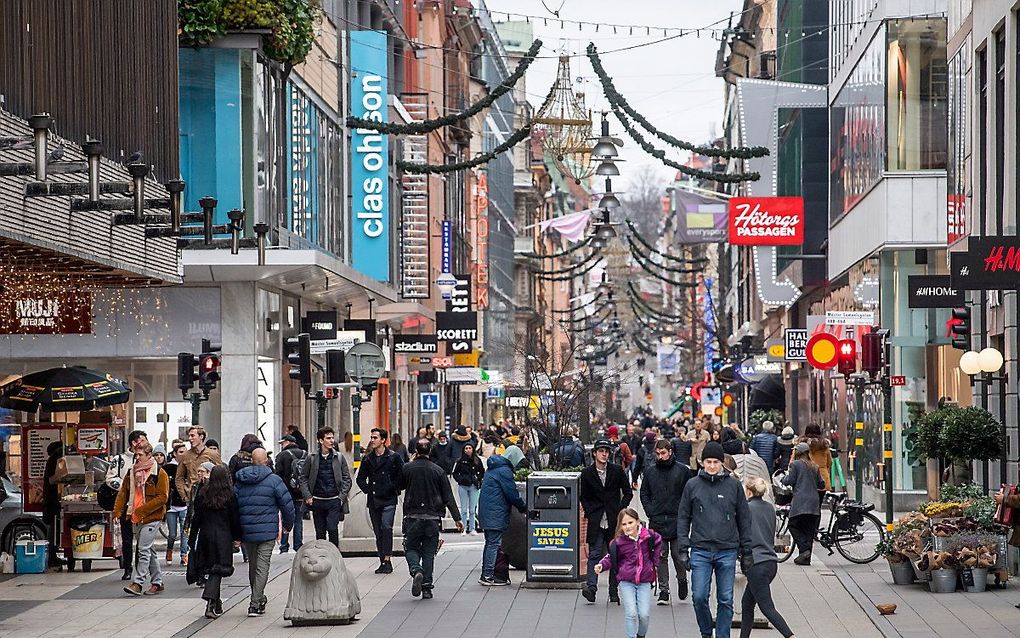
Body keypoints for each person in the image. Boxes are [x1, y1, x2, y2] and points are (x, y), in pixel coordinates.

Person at [676, 441, 752, 638]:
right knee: (699, 596)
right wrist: (683, 549)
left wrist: (747, 552)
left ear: (722, 463)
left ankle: (723, 635)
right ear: (702, 462)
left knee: (725, 599)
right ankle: (706, 632)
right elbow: (683, 517)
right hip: (700, 549)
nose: (711, 466)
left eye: (715, 462)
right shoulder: (692, 485)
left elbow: (744, 519)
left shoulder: (733, 486)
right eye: (708, 461)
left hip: (727, 549)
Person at [399, 438, 463, 599]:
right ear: (430, 451)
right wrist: (457, 518)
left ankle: (416, 570)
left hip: (412, 515)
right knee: (429, 552)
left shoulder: (407, 468)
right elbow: (447, 496)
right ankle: (427, 587)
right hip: (433, 517)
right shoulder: (438, 470)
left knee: (411, 547)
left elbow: (398, 486)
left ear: (416, 451)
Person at [234, 448, 295, 617]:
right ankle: (255, 603)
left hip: (247, 530)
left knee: (253, 566)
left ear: (252, 460)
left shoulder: (240, 480)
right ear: (266, 460)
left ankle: (258, 599)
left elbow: (233, 505)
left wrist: (236, 531)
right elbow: (287, 504)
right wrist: (288, 525)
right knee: (262, 567)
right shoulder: (274, 480)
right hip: (267, 530)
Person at [593, 508, 662, 638]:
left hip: (644, 581)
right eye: (624, 524)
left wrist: (655, 562)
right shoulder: (619, 542)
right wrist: (601, 565)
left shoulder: (649, 536)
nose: (627, 526)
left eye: (630, 522)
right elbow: (610, 557)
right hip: (626, 581)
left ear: (637, 521)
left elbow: (659, 542)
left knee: (644, 615)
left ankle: (641, 635)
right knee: (631, 613)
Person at [740, 477, 796, 638]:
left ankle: (790, 635)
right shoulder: (770, 508)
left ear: (749, 491)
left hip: (756, 563)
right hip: (771, 562)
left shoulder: (747, 508)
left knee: (767, 607)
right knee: (747, 603)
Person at [579, 438, 633, 604]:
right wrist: (590, 511)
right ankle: (591, 587)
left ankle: (613, 590)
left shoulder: (616, 471)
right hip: (596, 520)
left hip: (613, 520)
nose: (604, 454)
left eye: (606, 451)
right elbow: (584, 496)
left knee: (615, 555)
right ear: (594, 453)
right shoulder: (587, 473)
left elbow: (628, 492)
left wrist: (620, 510)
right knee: (594, 554)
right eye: (601, 451)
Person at [113, 443, 170, 596]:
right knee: (149, 550)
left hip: (152, 516)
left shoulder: (159, 473)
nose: (137, 458)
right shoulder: (132, 472)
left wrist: (143, 510)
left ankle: (138, 582)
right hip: (135, 516)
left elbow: (163, 497)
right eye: (135, 455)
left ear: (149, 455)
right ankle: (157, 582)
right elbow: (123, 493)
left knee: (142, 549)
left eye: (140, 455)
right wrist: (117, 512)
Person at [187, 465, 241, 619]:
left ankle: (216, 603)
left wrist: (192, 538)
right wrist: (237, 537)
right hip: (223, 537)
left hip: (206, 536)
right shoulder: (230, 495)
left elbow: (196, 518)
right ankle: (210, 601)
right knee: (218, 569)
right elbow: (234, 519)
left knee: (212, 567)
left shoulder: (203, 493)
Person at [640, 439, 690, 604]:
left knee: (678, 555)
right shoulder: (650, 472)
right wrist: (650, 511)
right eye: (658, 453)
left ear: (670, 452)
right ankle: (664, 590)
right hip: (658, 518)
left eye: (663, 453)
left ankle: (682, 579)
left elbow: (688, 493)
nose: (660, 457)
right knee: (661, 555)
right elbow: (644, 493)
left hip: (676, 518)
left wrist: (685, 513)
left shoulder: (682, 471)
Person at [477, 446, 527, 585]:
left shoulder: (493, 468)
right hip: (495, 513)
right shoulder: (504, 471)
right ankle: (487, 575)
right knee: (494, 544)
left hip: (488, 511)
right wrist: (523, 507)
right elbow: (511, 493)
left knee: (490, 543)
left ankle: (486, 573)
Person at [356, 428, 404, 575]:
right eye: (371, 437)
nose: (372, 440)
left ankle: (388, 559)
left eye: (375, 437)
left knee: (386, 527)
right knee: (378, 531)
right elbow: (360, 478)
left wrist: (394, 488)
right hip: (374, 499)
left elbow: (401, 476)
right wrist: (368, 490)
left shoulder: (393, 457)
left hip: (389, 498)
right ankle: (382, 560)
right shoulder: (368, 458)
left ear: (383, 440)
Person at [299, 426, 353, 547]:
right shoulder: (311, 458)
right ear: (321, 440)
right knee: (320, 532)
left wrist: (341, 497)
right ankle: (322, 556)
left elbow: (347, 479)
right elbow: (303, 478)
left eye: (332, 438)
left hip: (334, 500)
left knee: (333, 528)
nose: (331, 440)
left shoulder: (339, 457)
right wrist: (308, 496)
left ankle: (335, 554)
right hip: (317, 500)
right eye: (328, 438)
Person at [109, 430, 150, 580]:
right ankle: (127, 567)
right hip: (127, 503)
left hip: (142, 504)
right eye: (143, 440)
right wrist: (125, 487)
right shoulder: (119, 459)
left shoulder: (148, 459)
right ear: (135, 443)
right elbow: (110, 478)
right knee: (127, 538)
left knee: (142, 538)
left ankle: (141, 568)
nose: (146, 443)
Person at [783, 443, 824, 565]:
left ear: (798, 453)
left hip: (801, 501)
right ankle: (806, 558)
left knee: (793, 525)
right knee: (809, 530)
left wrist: (782, 479)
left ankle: (804, 549)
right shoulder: (814, 466)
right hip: (814, 502)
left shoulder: (795, 464)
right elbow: (821, 484)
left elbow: (789, 480)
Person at [274, 434, 308, 554]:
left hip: (286, 492)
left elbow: (277, 474)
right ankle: (298, 545)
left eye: (283, 443)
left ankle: (284, 546)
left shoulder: (282, 455)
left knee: (285, 518)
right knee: (298, 519)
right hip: (301, 492)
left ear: (287, 442)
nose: (282, 445)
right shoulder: (305, 454)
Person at [176, 426, 222, 507]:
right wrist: (184, 496)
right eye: (189, 436)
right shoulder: (185, 455)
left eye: (193, 436)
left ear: (201, 437)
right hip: (192, 495)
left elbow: (221, 474)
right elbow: (179, 477)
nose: (190, 438)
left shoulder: (212, 454)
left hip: (209, 495)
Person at [164, 442, 190, 566]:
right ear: (174, 454)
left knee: (185, 532)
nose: (183, 454)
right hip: (171, 506)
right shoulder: (168, 468)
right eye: (180, 452)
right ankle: (169, 549)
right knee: (172, 534)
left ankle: (184, 554)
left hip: (184, 504)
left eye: (185, 452)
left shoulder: (189, 466)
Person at [452, 442, 485, 536]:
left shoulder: (477, 460)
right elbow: (455, 473)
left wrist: (478, 479)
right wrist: (460, 480)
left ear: (473, 449)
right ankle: (463, 529)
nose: (468, 450)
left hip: (474, 486)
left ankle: (472, 528)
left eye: (470, 448)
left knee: (472, 509)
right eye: (466, 448)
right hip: (463, 485)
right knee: (463, 509)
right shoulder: (460, 461)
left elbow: (482, 471)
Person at [42, 441, 64, 569]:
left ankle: (53, 555)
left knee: (53, 528)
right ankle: (52, 556)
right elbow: (52, 479)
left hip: (50, 499)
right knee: (53, 529)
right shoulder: (54, 461)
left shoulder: (51, 460)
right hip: (52, 500)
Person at [797, 424, 833, 491]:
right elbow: (829, 463)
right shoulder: (824, 445)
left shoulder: (800, 446)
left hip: (805, 480)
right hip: (823, 479)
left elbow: (792, 462)